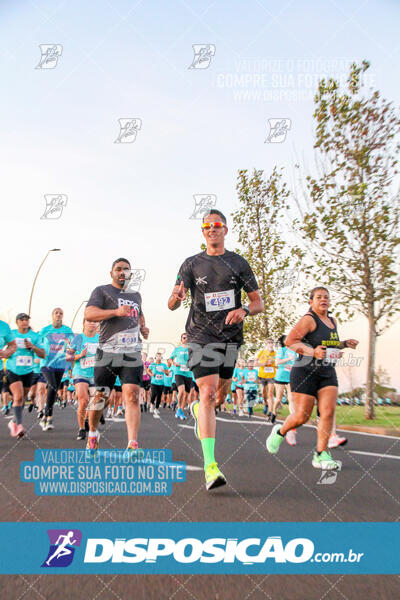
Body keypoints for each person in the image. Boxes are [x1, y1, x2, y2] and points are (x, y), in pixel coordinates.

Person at [168, 209, 264, 490]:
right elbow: (172, 304)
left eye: (217, 225)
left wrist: (244, 309)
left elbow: (258, 303)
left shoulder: (238, 263)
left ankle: (199, 409)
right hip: (200, 334)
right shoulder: (190, 264)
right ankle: (211, 466)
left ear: (225, 229)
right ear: (203, 232)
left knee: (219, 395)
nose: (212, 229)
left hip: (230, 336)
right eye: (207, 226)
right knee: (208, 392)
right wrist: (175, 298)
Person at [266, 287, 358, 470]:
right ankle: (280, 431)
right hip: (304, 371)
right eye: (318, 297)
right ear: (311, 301)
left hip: (327, 372)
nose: (323, 299)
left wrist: (344, 344)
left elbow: (327, 344)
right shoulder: (308, 319)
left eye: (326, 297)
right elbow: (290, 342)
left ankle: (321, 454)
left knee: (327, 412)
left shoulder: (332, 321)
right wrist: (312, 352)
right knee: (302, 416)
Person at [84, 258, 149, 451]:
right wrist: (115, 312)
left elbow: (139, 315)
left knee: (132, 396)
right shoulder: (102, 291)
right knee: (101, 397)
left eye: (126, 270)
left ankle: (132, 443)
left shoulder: (136, 295)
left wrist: (143, 329)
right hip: (108, 352)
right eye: (118, 269)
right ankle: (93, 433)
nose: (122, 272)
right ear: (111, 273)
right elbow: (89, 313)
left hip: (132, 352)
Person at [6, 314, 44, 438]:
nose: (24, 322)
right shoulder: (11, 334)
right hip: (13, 370)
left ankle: (14, 422)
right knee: (18, 396)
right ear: (17, 322)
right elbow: (5, 350)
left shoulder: (35, 336)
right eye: (21, 320)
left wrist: (32, 347)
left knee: (22, 399)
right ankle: (20, 426)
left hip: (28, 371)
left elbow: (43, 354)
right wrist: (9, 351)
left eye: (26, 320)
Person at [39, 308, 73, 431]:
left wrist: (70, 344)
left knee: (54, 389)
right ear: (52, 315)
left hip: (60, 364)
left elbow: (73, 344)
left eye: (61, 313)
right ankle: (48, 417)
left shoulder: (67, 330)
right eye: (56, 313)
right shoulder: (45, 330)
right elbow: (38, 344)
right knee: (52, 386)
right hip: (47, 363)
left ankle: (45, 414)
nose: (58, 315)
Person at [67, 319, 99, 440]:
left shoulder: (100, 338)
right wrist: (80, 355)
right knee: (84, 400)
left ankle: (87, 420)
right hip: (80, 373)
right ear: (83, 324)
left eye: (94, 322)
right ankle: (81, 429)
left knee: (95, 403)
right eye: (89, 321)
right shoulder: (78, 338)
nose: (92, 323)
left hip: (95, 374)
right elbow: (68, 357)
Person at [272, 335, 297, 445]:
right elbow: (277, 362)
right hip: (281, 376)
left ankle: (292, 419)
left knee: (291, 399)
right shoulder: (281, 350)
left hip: (291, 377)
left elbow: (296, 363)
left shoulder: (294, 351)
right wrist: (288, 359)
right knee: (278, 398)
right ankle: (273, 412)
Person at [170, 334, 191, 420]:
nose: (186, 339)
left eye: (187, 338)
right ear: (181, 339)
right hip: (179, 372)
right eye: (184, 337)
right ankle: (178, 408)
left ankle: (181, 411)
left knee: (186, 394)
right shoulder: (177, 349)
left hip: (188, 373)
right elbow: (170, 359)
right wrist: (174, 363)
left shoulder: (191, 349)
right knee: (181, 391)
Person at [257, 338, 276, 420]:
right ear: (266, 344)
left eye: (272, 343)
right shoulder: (261, 353)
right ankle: (266, 404)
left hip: (271, 376)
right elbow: (256, 363)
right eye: (269, 343)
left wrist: (275, 364)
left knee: (270, 394)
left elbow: (278, 363)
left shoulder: (275, 353)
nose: (270, 344)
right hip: (262, 375)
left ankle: (270, 412)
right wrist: (265, 363)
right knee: (264, 393)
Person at [147, 353, 169, 418]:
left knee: (159, 395)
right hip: (154, 382)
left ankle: (156, 409)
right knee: (154, 394)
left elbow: (167, 373)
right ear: (155, 357)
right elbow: (148, 371)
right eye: (157, 356)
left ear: (161, 357)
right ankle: (152, 404)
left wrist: (164, 371)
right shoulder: (153, 364)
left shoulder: (164, 365)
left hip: (161, 383)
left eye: (160, 356)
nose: (159, 357)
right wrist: (151, 374)